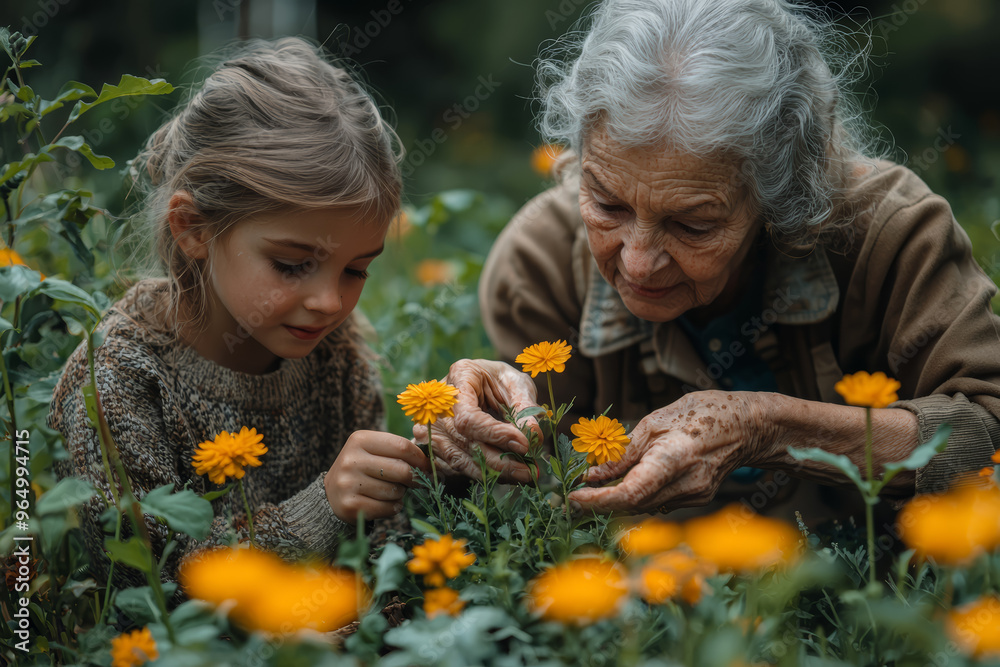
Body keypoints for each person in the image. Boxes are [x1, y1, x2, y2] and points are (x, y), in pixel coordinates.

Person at [428, 0, 1000, 522]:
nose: (639, 262)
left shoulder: (893, 237)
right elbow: (529, 503)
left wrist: (769, 427)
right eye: (607, 203)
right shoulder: (540, 261)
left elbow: (989, 430)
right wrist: (472, 436)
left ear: (782, 197)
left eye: (692, 224)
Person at [48, 37, 430, 588]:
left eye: (355, 270)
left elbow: (384, 555)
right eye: (293, 264)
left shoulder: (338, 360)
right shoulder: (116, 379)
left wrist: (457, 470)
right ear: (195, 229)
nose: (329, 302)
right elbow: (144, 586)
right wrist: (320, 510)